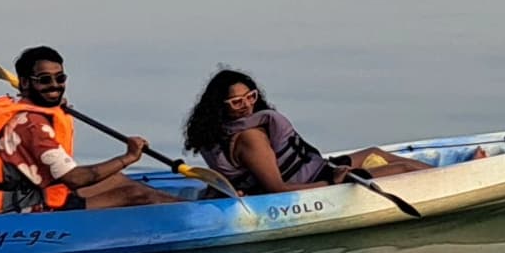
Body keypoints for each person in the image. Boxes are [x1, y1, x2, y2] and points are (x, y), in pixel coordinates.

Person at [0, 46, 175, 215]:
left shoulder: (21, 107)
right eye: (45, 80)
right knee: (136, 194)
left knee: (117, 180)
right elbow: (75, 179)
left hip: (27, 192)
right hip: (23, 207)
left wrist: (50, 103)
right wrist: (128, 157)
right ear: (25, 83)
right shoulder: (33, 125)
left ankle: (185, 207)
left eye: (60, 78)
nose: (55, 86)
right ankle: (193, 218)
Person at [179, 68, 442, 196]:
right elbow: (278, 189)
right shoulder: (250, 138)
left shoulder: (219, 131)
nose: (247, 105)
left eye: (251, 97)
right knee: (404, 169)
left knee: (375, 152)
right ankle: (448, 184)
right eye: (237, 102)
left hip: (318, 169)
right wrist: (333, 183)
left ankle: (442, 177)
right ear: (220, 107)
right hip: (316, 181)